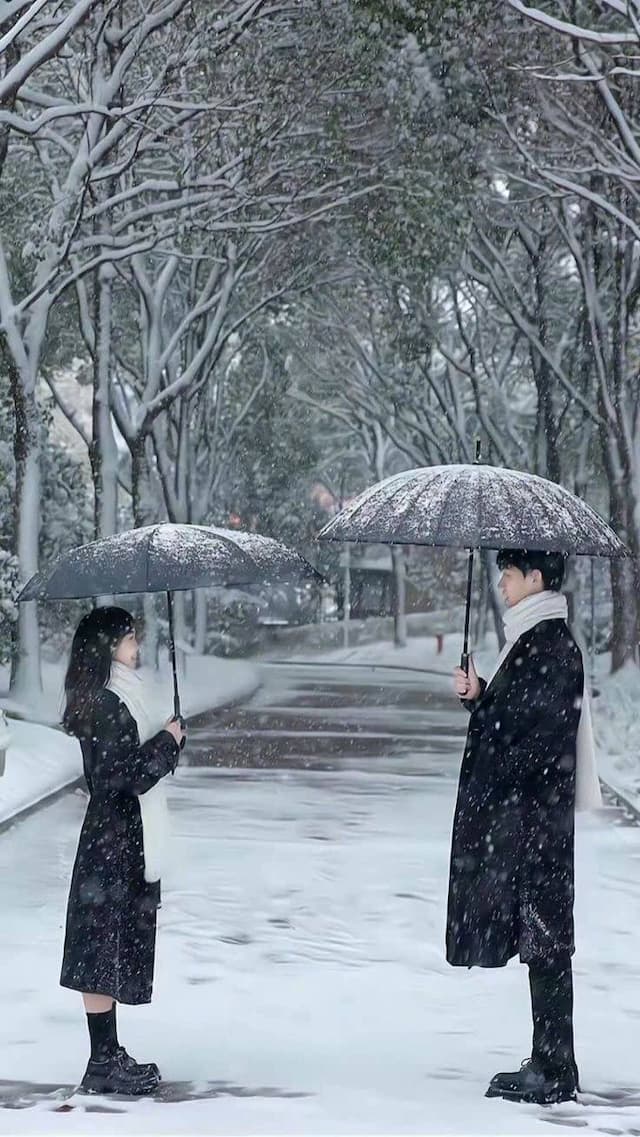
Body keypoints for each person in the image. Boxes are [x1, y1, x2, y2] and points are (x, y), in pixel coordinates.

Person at [447, 548, 601, 1106]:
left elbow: (535, 740)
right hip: (534, 817)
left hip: (536, 819)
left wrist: (489, 725)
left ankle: (555, 1069)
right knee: (542, 936)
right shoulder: (536, 640)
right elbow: (519, 720)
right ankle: (550, 1060)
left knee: (547, 937)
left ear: (536, 578)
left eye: (509, 575)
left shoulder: (549, 645)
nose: (502, 586)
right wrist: (482, 698)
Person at [60, 606, 185, 1095]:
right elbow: (123, 774)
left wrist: (167, 740)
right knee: (99, 950)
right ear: (111, 646)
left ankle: (107, 1056)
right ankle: (102, 1061)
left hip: (119, 837)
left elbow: (128, 765)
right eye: (130, 637)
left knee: (107, 946)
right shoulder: (108, 701)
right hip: (114, 839)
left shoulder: (116, 695)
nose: (137, 645)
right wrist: (166, 744)